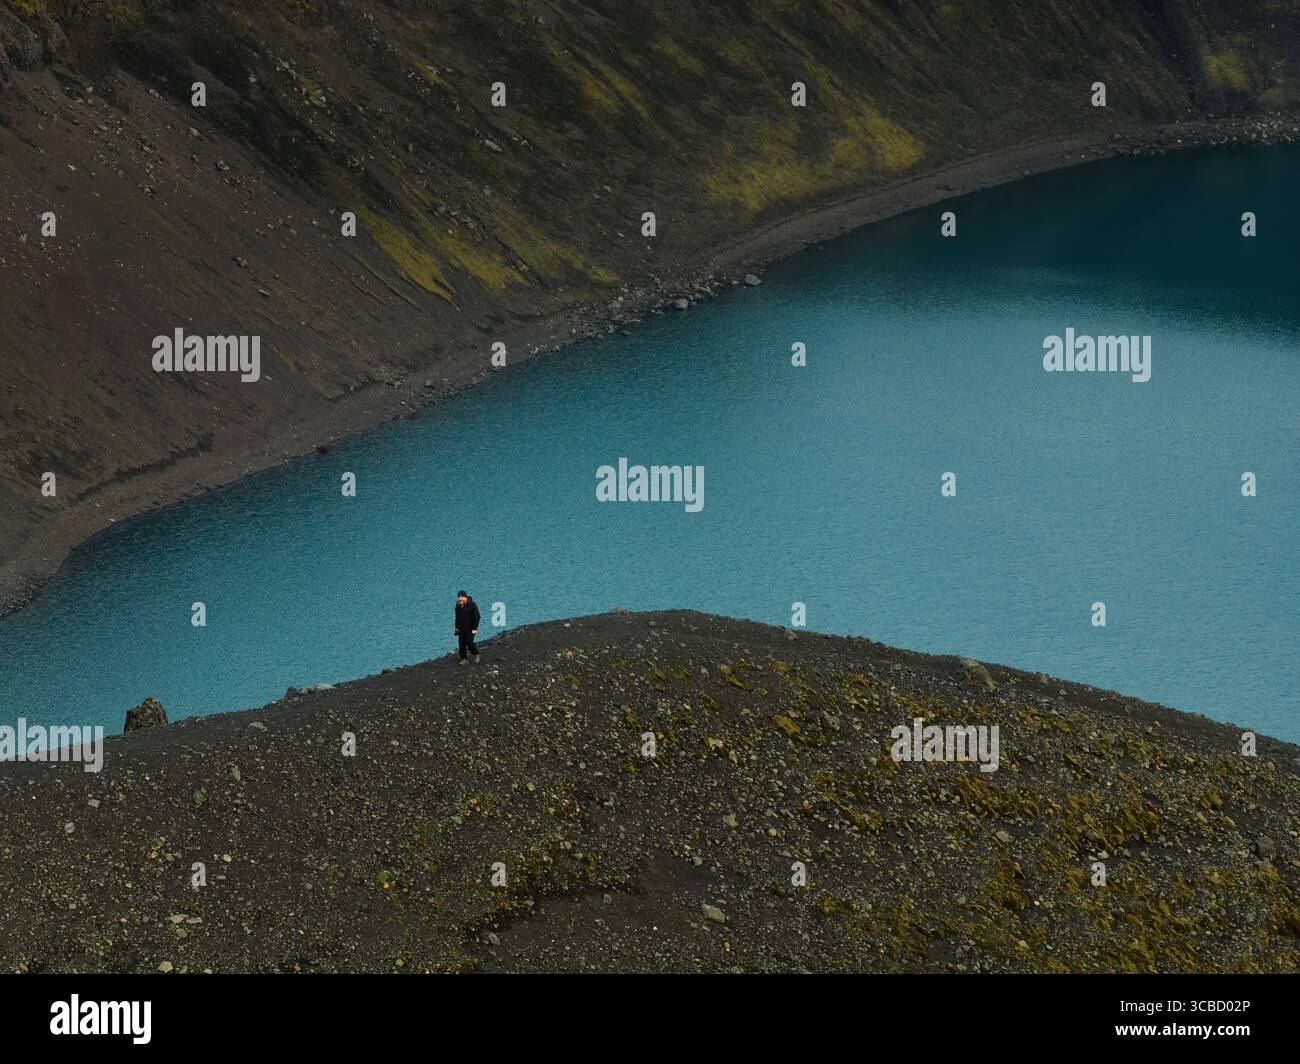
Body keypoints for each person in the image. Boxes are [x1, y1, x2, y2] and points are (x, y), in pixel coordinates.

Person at [455, 590, 481, 665]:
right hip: (461, 628)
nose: (460, 599)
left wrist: (475, 628)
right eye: (459, 597)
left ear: (465, 597)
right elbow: (457, 617)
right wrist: (456, 627)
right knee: (461, 643)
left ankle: (476, 654)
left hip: (470, 628)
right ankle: (464, 659)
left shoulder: (472, 604)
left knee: (469, 642)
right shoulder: (458, 606)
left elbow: (477, 617)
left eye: (461, 597)